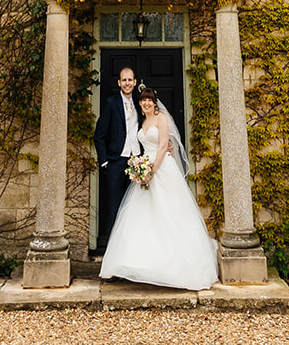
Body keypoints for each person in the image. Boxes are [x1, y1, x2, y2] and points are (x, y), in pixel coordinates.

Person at [99, 85, 219, 290]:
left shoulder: (161, 118)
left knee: (168, 212)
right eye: (143, 100)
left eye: (150, 100)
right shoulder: (143, 121)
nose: (146, 103)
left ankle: (176, 265)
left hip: (162, 168)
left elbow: (164, 145)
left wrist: (153, 170)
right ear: (140, 103)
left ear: (155, 102)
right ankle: (135, 265)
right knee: (141, 215)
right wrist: (140, 170)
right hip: (145, 167)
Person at [92, 66, 140, 257]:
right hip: (115, 163)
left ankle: (134, 255)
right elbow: (99, 135)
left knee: (137, 209)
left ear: (135, 82)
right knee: (114, 210)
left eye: (130, 80)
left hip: (137, 163)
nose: (127, 83)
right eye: (124, 80)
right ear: (119, 83)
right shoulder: (111, 103)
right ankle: (113, 258)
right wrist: (105, 162)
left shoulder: (140, 102)